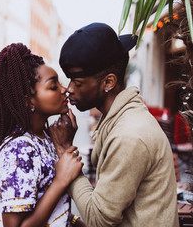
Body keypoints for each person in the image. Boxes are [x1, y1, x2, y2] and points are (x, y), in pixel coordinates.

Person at [50, 22, 179, 226]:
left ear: (108, 82)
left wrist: (65, 152)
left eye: (78, 83)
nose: (69, 89)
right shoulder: (120, 118)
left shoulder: (129, 135)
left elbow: (99, 220)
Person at [0, 43, 85, 227]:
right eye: (53, 86)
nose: (65, 89)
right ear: (28, 100)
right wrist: (61, 180)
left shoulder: (44, 137)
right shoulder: (19, 151)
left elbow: (53, 209)